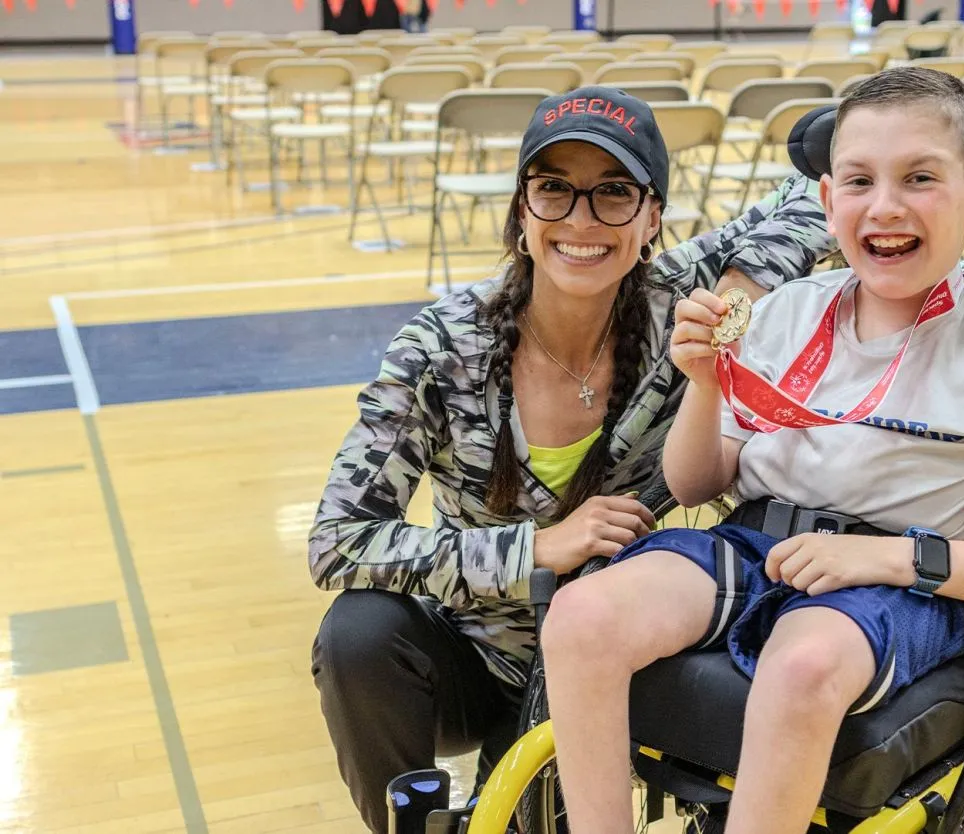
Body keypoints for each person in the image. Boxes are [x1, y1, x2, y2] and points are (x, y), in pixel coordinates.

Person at [541, 67, 964, 834]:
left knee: (802, 664)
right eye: (859, 180)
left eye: (920, 177)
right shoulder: (783, 312)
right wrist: (704, 383)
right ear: (828, 202)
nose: (885, 206)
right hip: (755, 542)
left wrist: (885, 561)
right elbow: (695, 482)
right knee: (580, 618)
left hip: (905, 582)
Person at [307, 85, 836, 833]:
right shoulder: (442, 347)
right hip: (476, 653)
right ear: (521, 211)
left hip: (605, 661)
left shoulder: (671, 302)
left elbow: (814, 192)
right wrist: (537, 549)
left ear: (652, 216)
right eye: (553, 191)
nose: (581, 221)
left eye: (613, 194)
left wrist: (738, 295)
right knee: (357, 633)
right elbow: (336, 542)